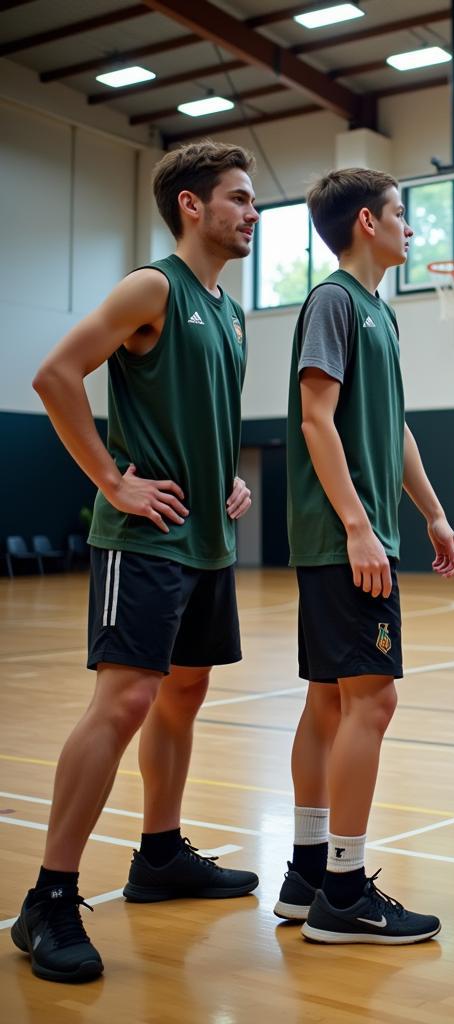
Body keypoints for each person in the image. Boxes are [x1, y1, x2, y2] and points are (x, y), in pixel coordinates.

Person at [13, 141, 261, 983]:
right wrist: (112, 481)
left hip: (204, 538)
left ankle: (159, 854)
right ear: (192, 206)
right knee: (124, 701)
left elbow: (193, 412)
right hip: (145, 541)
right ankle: (48, 898)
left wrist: (224, 473)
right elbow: (55, 375)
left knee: (182, 693)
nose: (252, 212)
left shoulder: (228, 311)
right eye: (239, 198)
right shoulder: (151, 286)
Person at [276, 168, 454, 945]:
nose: (410, 229)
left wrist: (434, 512)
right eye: (400, 215)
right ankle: (346, 892)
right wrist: (357, 525)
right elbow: (316, 417)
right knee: (372, 702)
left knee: (330, 701)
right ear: (365, 221)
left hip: (361, 531)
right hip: (343, 537)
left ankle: (309, 873)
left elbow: (396, 430)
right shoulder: (334, 301)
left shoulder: (379, 313)